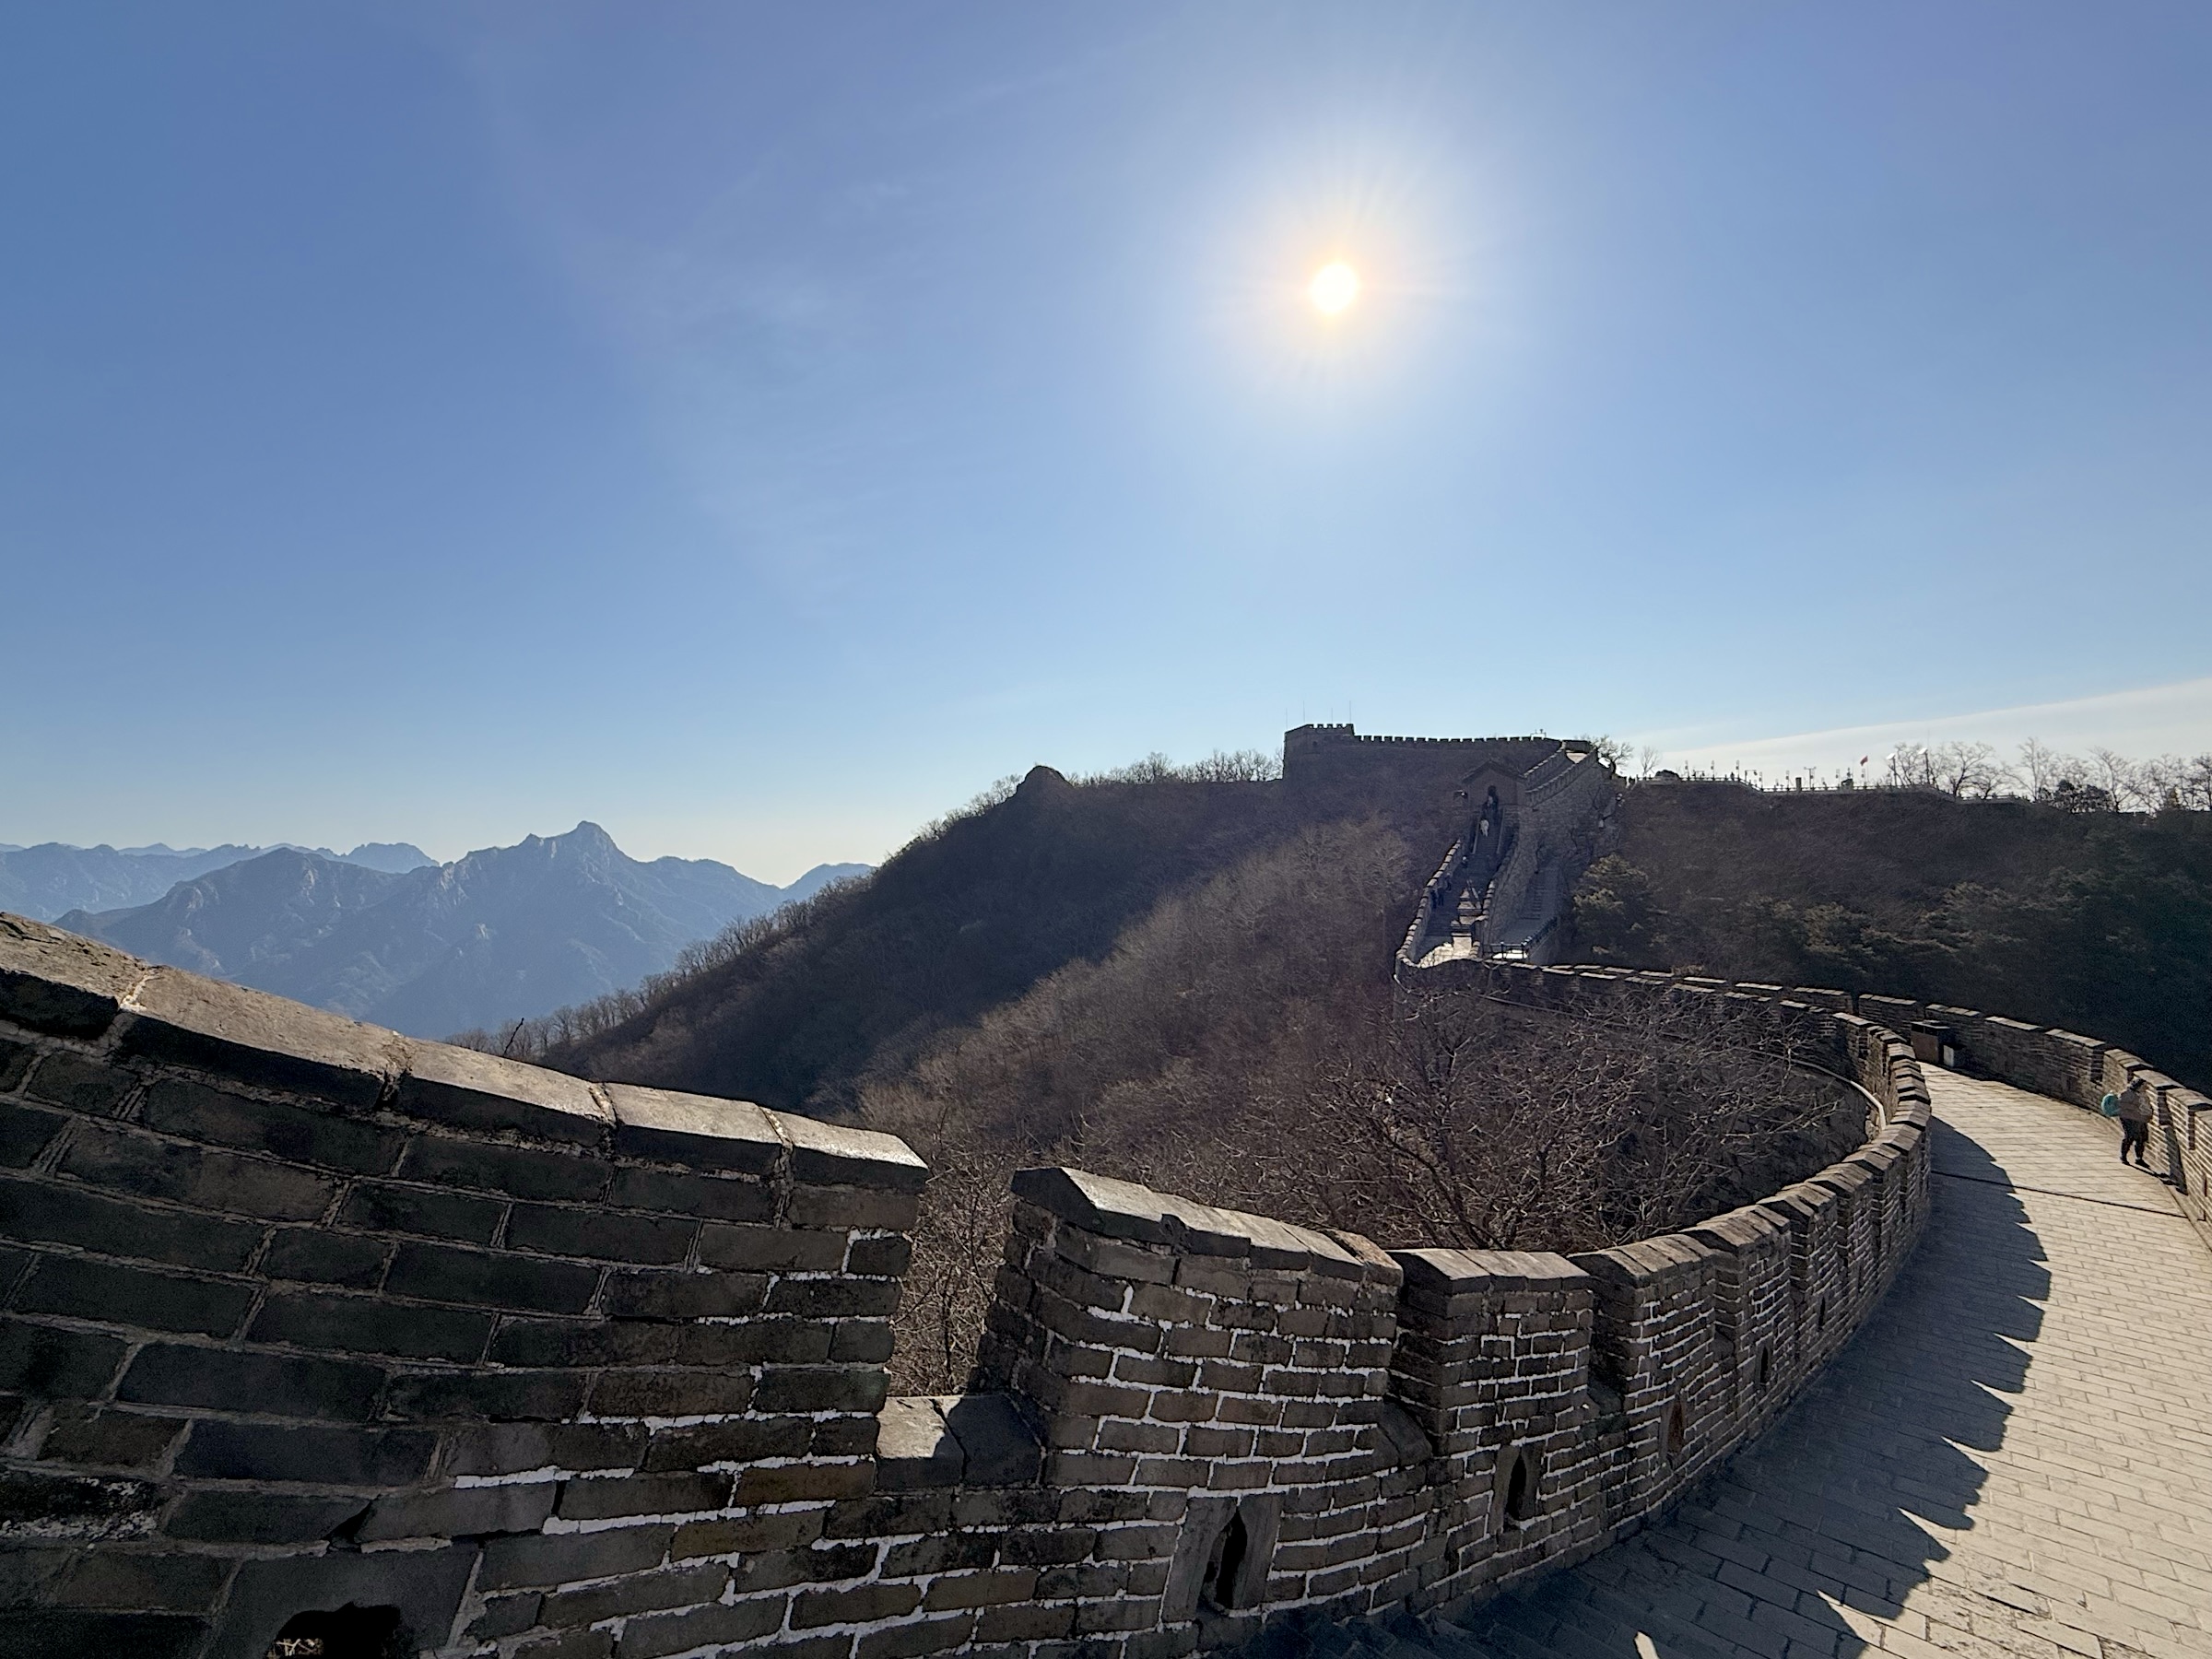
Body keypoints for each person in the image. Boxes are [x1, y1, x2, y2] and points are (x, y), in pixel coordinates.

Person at [2115, 1077, 2155, 1170]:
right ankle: (2123, 1156)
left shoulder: (2143, 1095)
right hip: (2129, 1118)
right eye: (2144, 1086)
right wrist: (2136, 1108)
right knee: (2130, 1136)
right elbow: (2121, 1104)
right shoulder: (2127, 1093)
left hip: (2141, 1119)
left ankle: (2139, 1158)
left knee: (2141, 1138)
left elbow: (2147, 1106)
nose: (2147, 1088)